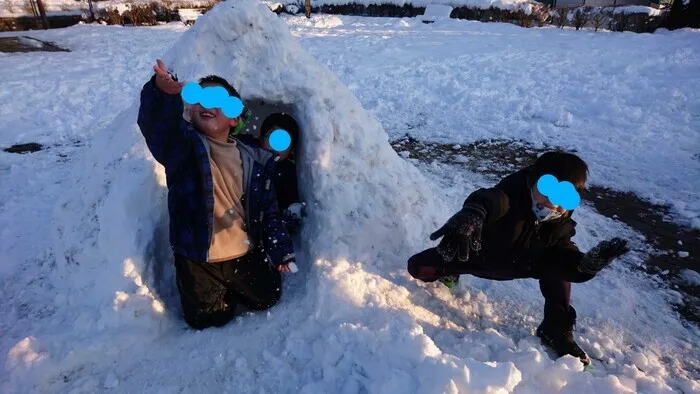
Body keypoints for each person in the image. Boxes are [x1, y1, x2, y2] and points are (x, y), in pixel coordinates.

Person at [407, 151, 630, 365]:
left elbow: (567, 260)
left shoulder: (560, 223)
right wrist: (472, 213)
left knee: (560, 266)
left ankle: (555, 329)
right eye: (548, 192)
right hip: (478, 256)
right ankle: (451, 271)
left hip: (527, 264)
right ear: (531, 183)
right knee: (418, 267)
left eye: (564, 198)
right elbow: (488, 200)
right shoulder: (509, 197)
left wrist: (586, 267)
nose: (554, 205)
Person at [137, 59, 296, 330]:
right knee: (207, 319)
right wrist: (161, 93)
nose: (206, 105)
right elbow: (158, 129)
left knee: (268, 297)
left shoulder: (254, 160)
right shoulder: (184, 150)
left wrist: (280, 250)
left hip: (242, 251)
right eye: (200, 98)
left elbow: (268, 212)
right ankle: (219, 293)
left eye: (218, 99)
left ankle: (234, 286)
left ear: (235, 117)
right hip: (198, 257)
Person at [238, 112, 303, 234]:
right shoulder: (249, 156)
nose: (277, 146)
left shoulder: (287, 173)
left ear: (292, 149)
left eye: (284, 141)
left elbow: (287, 204)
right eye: (272, 137)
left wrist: (288, 216)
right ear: (261, 139)